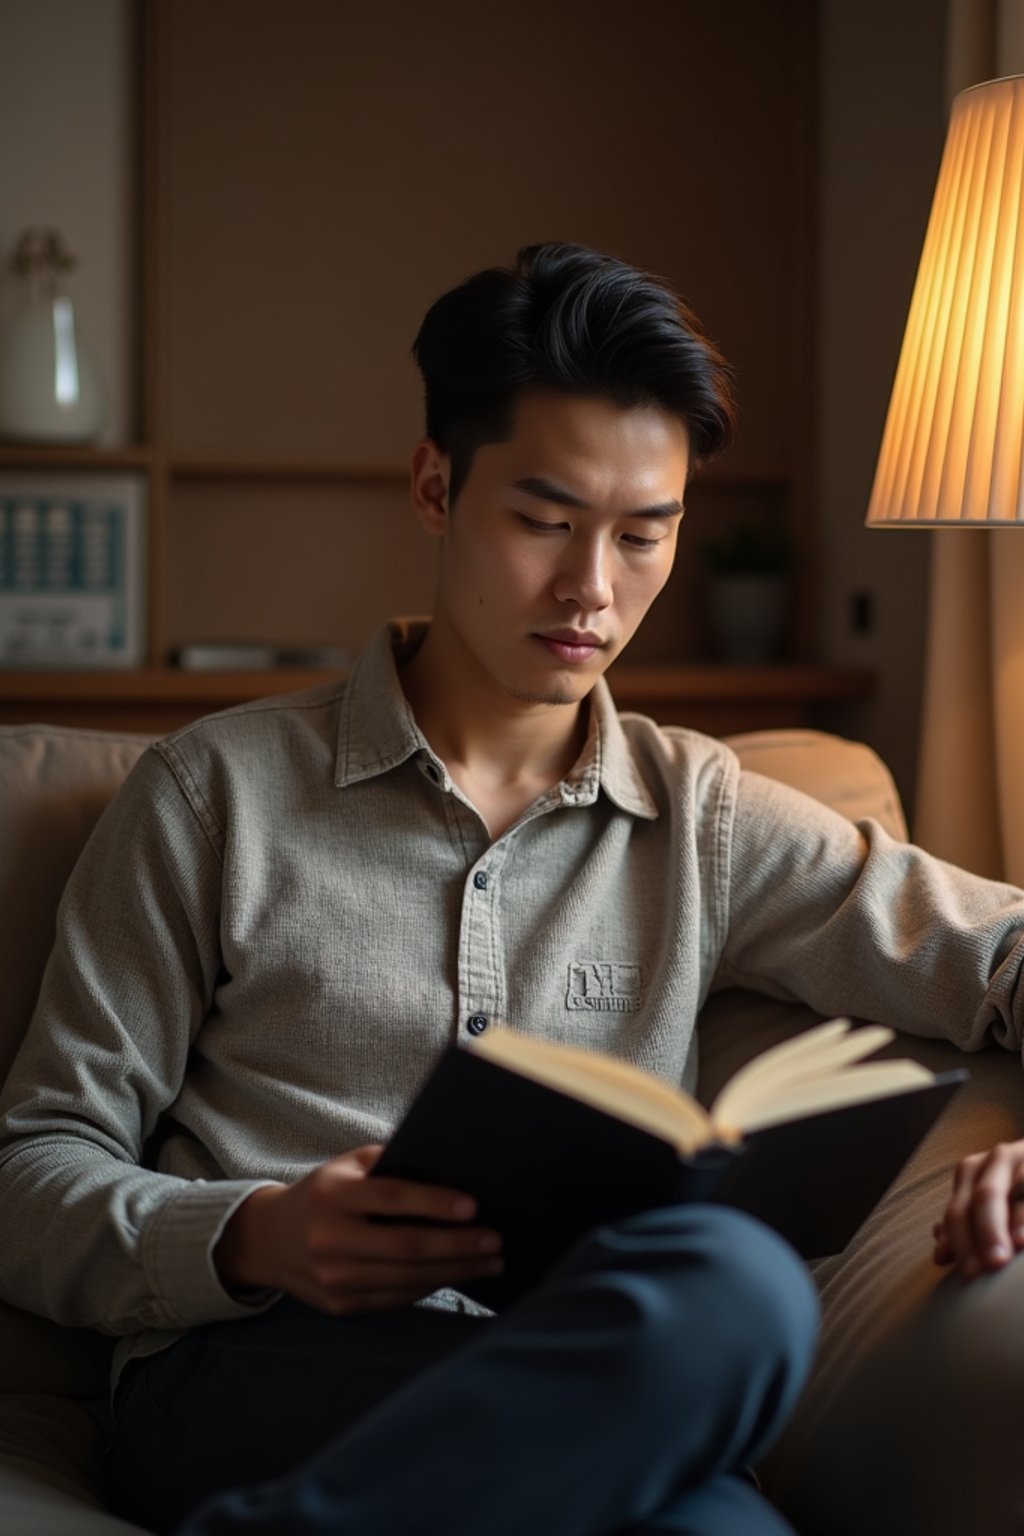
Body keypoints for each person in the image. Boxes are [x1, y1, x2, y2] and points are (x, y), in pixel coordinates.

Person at [0, 242, 1023, 1536]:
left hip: (589, 1380)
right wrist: (254, 1235)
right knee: (747, 1302)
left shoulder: (703, 816)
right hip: (263, 1372)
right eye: (544, 521)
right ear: (436, 487)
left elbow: (1005, 953)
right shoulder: (215, 797)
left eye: (644, 534)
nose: (592, 590)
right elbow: (31, 1171)